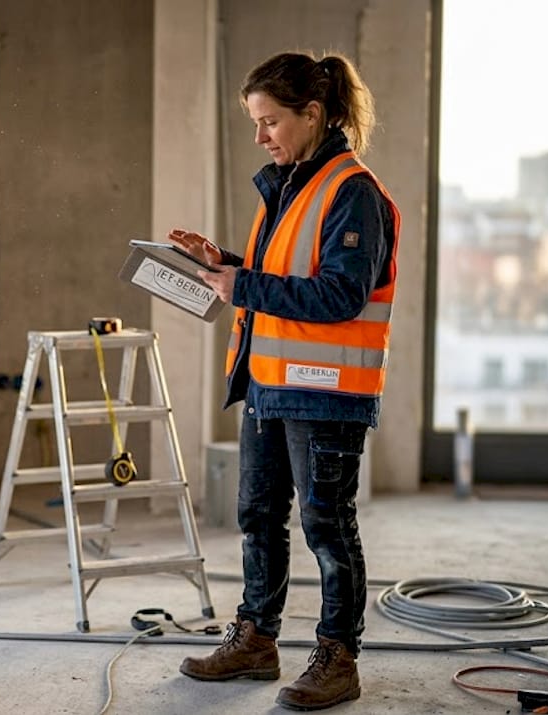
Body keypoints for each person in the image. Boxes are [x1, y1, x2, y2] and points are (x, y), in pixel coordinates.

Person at [168, 51, 399, 711]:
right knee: (257, 515)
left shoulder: (352, 190)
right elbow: (286, 277)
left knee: (327, 524)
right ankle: (255, 638)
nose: (261, 135)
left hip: (327, 391)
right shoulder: (289, 183)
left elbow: (340, 294)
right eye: (256, 123)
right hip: (270, 381)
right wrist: (226, 263)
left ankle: (337, 655)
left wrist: (242, 283)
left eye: (270, 121)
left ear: (313, 114)